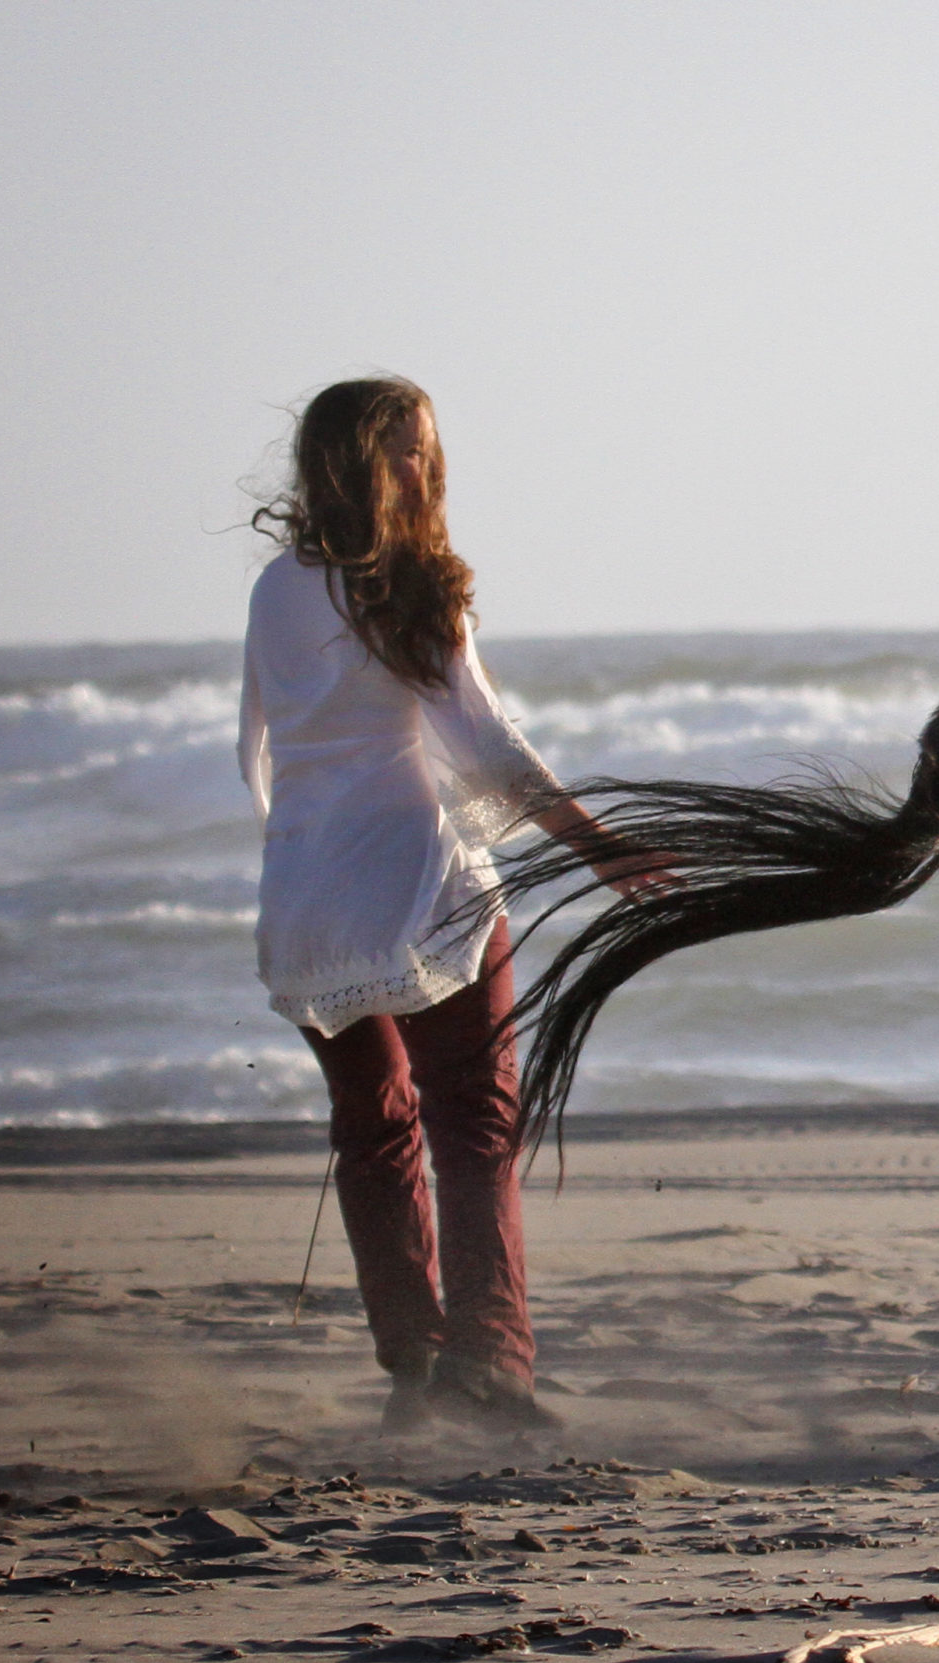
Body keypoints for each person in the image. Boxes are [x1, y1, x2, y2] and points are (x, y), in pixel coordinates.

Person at [238, 376, 645, 1432]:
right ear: (383, 465)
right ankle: (494, 1361)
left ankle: (414, 1361)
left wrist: (314, 839)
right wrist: (596, 847)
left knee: (371, 1125)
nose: (435, 466)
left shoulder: (277, 586)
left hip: (306, 897)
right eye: (420, 449)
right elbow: (488, 746)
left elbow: (259, 749)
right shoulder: (414, 583)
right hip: (421, 885)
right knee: (474, 1119)